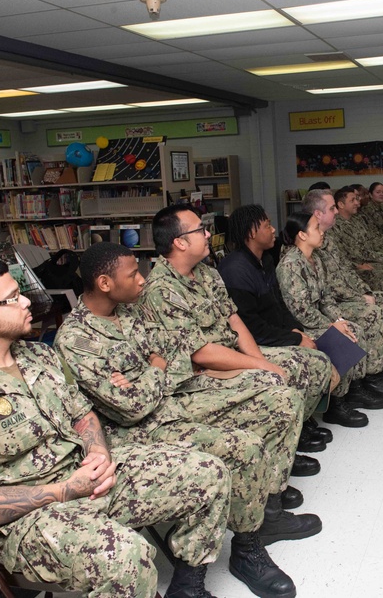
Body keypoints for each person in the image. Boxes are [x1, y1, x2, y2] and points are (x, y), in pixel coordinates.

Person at [0, 258, 231, 598]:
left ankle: (188, 589)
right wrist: (65, 490)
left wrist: (98, 450)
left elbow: (83, 414)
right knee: (124, 556)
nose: (26, 302)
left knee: (208, 472)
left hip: (84, 476)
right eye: (12, 298)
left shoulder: (39, 357)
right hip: (23, 521)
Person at [55, 242, 320, 596]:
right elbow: (129, 407)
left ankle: (258, 525)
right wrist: (154, 367)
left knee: (279, 399)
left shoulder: (130, 311)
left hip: (178, 400)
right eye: (133, 273)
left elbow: (180, 355)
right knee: (245, 447)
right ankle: (218, 566)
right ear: (104, 282)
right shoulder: (76, 339)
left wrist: (149, 371)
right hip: (138, 433)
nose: (142, 280)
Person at [140, 205, 333, 477]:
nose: (208, 234)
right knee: (276, 382)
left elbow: (234, 320)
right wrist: (262, 368)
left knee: (313, 362)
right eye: (200, 230)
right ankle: (272, 472)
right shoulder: (162, 289)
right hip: (200, 374)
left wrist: (260, 361)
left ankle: (288, 442)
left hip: (230, 354)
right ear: (180, 242)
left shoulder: (205, 271)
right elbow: (202, 353)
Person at [218, 204, 342, 440]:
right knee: (313, 357)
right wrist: (295, 338)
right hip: (252, 342)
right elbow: (251, 327)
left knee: (334, 341)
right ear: (252, 232)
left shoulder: (264, 260)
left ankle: (324, 408)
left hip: (275, 332)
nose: (274, 230)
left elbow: (278, 306)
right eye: (267, 225)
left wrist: (295, 330)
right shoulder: (235, 270)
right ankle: (297, 426)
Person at [277, 212, 383, 425]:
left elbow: (327, 298)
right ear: (302, 235)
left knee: (350, 328)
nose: (322, 232)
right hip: (302, 325)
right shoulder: (290, 264)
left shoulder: (316, 259)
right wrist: (331, 326)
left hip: (320, 317)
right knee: (344, 336)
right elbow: (300, 311)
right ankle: (336, 403)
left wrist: (338, 320)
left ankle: (355, 388)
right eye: (316, 229)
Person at [302, 189, 383, 344]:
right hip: (332, 305)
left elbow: (345, 269)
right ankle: (379, 364)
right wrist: (360, 297)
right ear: (318, 214)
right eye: (332, 209)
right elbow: (329, 288)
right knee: (375, 302)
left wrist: (364, 291)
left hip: (345, 294)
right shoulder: (307, 247)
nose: (336, 213)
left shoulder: (326, 240)